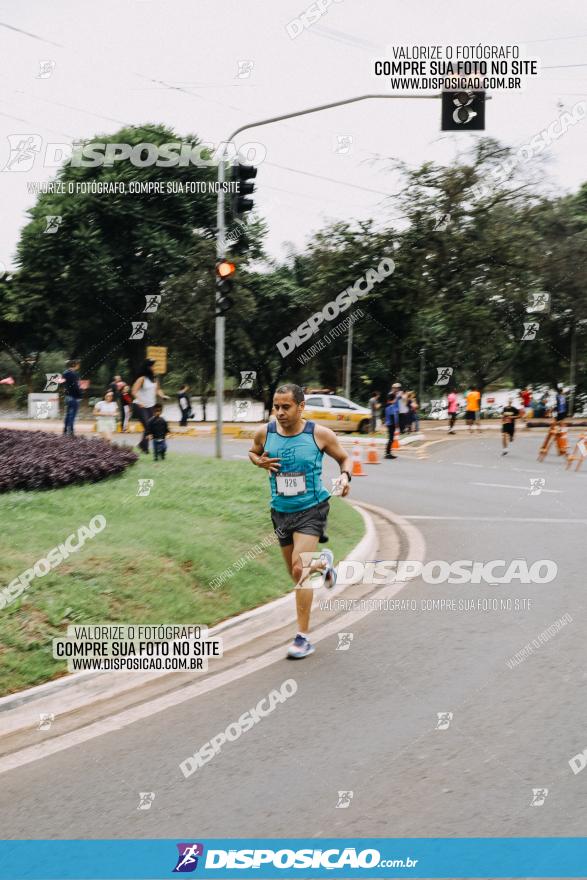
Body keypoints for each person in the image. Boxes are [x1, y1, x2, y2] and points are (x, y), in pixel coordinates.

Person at [248, 383, 352, 659]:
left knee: (299, 570)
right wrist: (258, 462)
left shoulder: (319, 434)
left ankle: (303, 637)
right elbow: (253, 451)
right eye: (276, 407)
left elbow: (344, 459)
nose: (279, 413)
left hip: (312, 508)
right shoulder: (265, 432)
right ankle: (324, 563)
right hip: (280, 511)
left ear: (301, 406)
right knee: (294, 572)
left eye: (286, 407)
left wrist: (344, 477)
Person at [131, 359, 168, 453]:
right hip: (140, 406)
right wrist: (139, 402)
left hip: (151, 406)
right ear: (147, 368)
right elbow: (134, 391)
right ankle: (145, 448)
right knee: (148, 425)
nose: (154, 368)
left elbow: (158, 390)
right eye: (152, 366)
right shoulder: (142, 379)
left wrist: (163, 395)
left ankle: (142, 445)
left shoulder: (155, 378)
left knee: (150, 426)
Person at [62, 359, 83, 435]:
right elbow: (76, 386)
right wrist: (80, 395)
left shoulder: (65, 373)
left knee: (68, 414)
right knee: (72, 414)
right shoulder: (74, 374)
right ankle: (70, 431)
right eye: (78, 364)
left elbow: (63, 385)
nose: (79, 366)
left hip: (67, 396)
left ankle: (64, 430)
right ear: (75, 365)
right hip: (74, 396)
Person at [384, 393, 398, 459]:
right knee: (391, 439)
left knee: (391, 439)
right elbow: (392, 416)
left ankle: (388, 452)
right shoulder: (391, 406)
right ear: (393, 399)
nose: (396, 400)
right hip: (391, 424)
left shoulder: (388, 405)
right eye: (395, 398)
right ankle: (387, 453)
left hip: (389, 423)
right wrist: (395, 424)